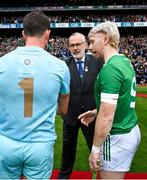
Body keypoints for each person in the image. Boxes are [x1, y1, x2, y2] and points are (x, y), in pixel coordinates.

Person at [0, 11, 70, 179]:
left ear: (23, 34)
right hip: (41, 145)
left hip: (7, 143)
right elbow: (63, 110)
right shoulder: (60, 67)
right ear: (48, 33)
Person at [79, 21, 141, 179]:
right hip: (129, 128)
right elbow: (121, 98)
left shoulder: (111, 68)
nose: (90, 47)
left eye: (92, 41)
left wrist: (95, 150)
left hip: (117, 135)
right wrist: (96, 112)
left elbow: (106, 117)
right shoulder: (124, 61)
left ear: (105, 39)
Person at [58, 32, 103, 179]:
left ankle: (102, 175)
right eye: (72, 45)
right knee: (67, 152)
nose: (75, 48)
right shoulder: (63, 64)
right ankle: (63, 177)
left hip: (91, 117)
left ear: (85, 45)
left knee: (95, 149)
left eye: (78, 44)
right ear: (68, 47)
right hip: (70, 116)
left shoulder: (97, 62)